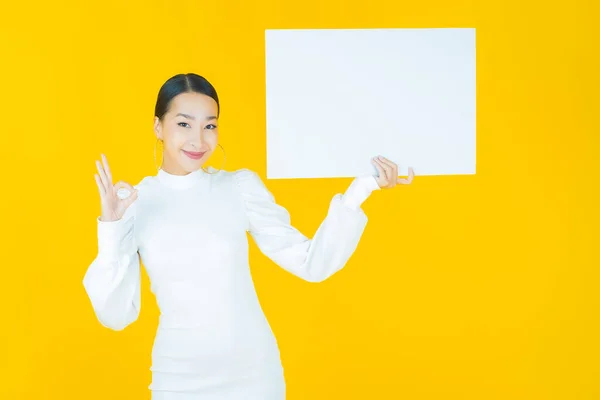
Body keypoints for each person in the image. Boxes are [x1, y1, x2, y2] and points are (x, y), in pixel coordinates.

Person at [83, 73, 415, 400]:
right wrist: (110, 228)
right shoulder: (134, 202)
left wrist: (361, 190)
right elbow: (115, 315)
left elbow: (311, 264)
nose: (199, 140)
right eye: (184, 124)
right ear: (158, 127)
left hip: (253, 376)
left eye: (209, 125)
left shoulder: (239, 187)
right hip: (178, 378)